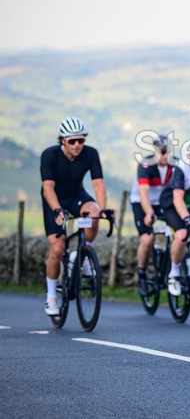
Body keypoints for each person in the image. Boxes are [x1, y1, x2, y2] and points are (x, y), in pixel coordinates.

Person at [40, 117, 109, 315]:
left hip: (77, 196)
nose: (77, 145)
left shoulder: (90, 154)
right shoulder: (50, 155)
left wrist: (102, 209)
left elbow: (98, 184)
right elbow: (48, 188)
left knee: (94, 214)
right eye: (72, 141)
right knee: (57, 248)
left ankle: (84, 257)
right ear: (62, 140)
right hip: (54, 200)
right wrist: (56, 210)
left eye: (81, 140)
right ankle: (51, 297)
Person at [160, 135, 190, 296]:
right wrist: (187, 219)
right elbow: (177, 198)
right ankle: (174, 274)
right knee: (181, 235)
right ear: (189, 156)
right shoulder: (181, 168)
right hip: (173, 205)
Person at [131, 134, 175, 295]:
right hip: (142, 202)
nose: (165, 155)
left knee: (175, 234)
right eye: (162, 152)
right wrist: (149, 213)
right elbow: (143, 192)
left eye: (168, 151)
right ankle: (141, 274)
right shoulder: (145, 165)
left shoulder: (175, 165)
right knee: (147, 238)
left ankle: (168, 271)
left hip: (162, 203)